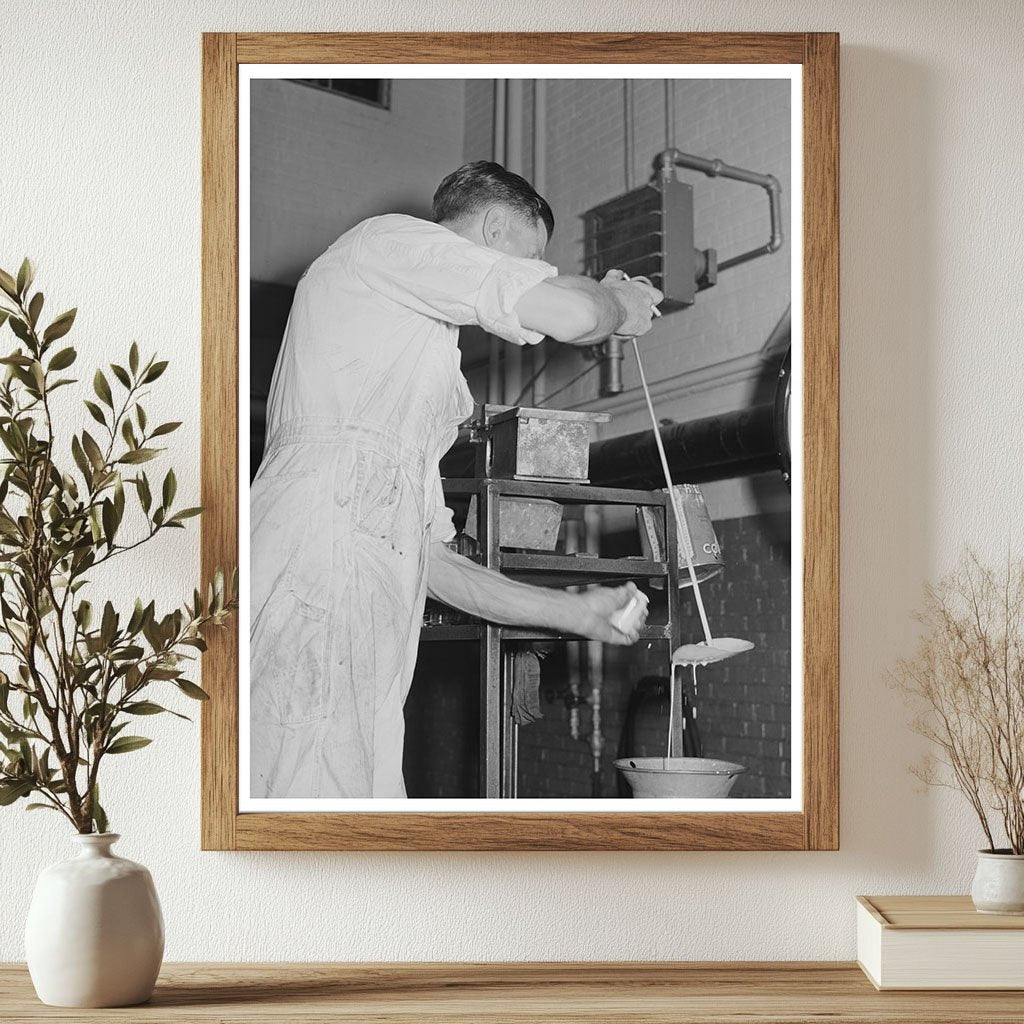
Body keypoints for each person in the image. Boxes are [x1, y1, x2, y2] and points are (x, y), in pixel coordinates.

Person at [250, 161, 663, 799]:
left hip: (360, 591)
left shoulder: (408, 350)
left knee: (355, 799)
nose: (535, 274)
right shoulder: (387, 242)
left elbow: (433, 563)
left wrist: (574, 611)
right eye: (532, 258)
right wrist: (620, 304)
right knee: (310, 803)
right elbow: (577, 314)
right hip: (318, 565)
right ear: (494, 228)